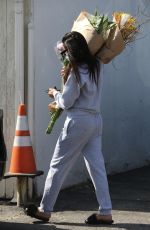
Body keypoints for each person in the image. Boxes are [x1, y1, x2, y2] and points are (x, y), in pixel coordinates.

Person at [26, 31, 113, 225]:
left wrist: (55, 93)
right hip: (95, 120)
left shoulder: (75, 71)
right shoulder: (97, 65)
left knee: (58, 165)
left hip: (78, 120)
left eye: (65, 52)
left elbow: (66, 102)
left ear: (71, 52)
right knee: (97, 167)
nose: (64, 55)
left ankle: (45, 209)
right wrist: (67, 79)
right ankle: (105, 211)